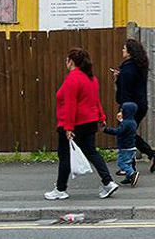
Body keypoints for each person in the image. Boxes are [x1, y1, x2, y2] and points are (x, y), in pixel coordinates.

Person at [45, 48, 119, 200]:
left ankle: (60, 189)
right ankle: (108, 182)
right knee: (92, 152)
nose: (66, 63)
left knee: (64, 155)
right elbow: (95, 100)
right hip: (90, 121)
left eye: (67, 60)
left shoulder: (72, 78)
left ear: (71, 61)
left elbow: (70, 105)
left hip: (74, 123)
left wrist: (68, 128)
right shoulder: (91, 78)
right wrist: (101, 116)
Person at [113, 39, 155, 173]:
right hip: (140, 105)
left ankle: (131, 165)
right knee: (129, 134)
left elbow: (126, 92)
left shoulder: (127, 69)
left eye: (124, 48)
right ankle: (149, 155)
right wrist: (118, 78)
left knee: (126, 134)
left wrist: (122, 110)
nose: (122, 50)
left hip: (130, 106)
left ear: (129, 52)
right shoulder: (139, 66)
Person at [103, 102, 141, 187]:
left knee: (121, 163)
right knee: (128, 163)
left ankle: (132, 173)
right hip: (131, 146)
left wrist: (106, 130)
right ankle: (129, 177)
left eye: (122, 110)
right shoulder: (132, 122)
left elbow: (118, 131)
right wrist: (121, 121)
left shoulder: (126, 123)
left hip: (125, 147)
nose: (121, 112)